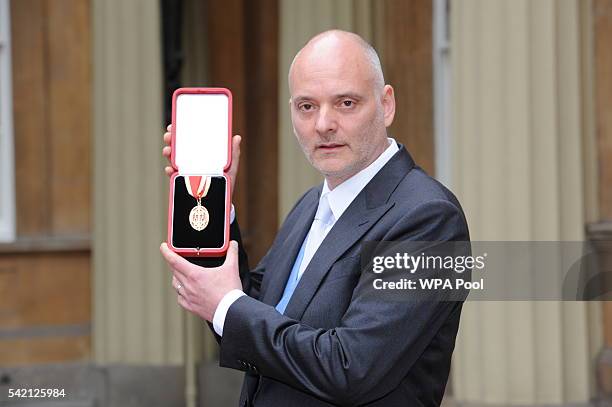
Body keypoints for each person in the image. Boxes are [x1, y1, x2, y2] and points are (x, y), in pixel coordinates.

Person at [160, 29, 469, 406]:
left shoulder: (429, 218)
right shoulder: (311, 204)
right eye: (307, 106)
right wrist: (215, 207)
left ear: (386, 104)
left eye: (346, 103)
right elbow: (257, 314)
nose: (323, 124)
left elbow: (351, 367)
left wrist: (225, 306)